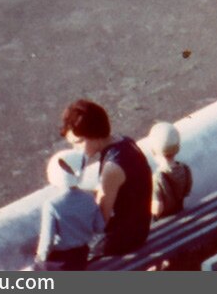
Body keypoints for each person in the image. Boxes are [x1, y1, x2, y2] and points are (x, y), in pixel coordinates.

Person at [61, 99, 152, 257]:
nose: (76, 149)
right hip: (140, 226)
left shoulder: (111, 169)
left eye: (79, 142)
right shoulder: (124, 141)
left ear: (94, 134)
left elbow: (100, 221)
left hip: (124, 237)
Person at [34, 149, 103, 271]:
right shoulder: (89, 198)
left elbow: (47, 241)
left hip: (61, 261)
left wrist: (40, 258)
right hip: (81, 256)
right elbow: (99, 227)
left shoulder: (52, 205)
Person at [146, 121, 192, 220]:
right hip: (180, 211)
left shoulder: (158, 178)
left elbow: (158, 208)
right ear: (177, 148)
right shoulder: (185, 169)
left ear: (153, 151)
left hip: (167, 220)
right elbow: (187, 191)